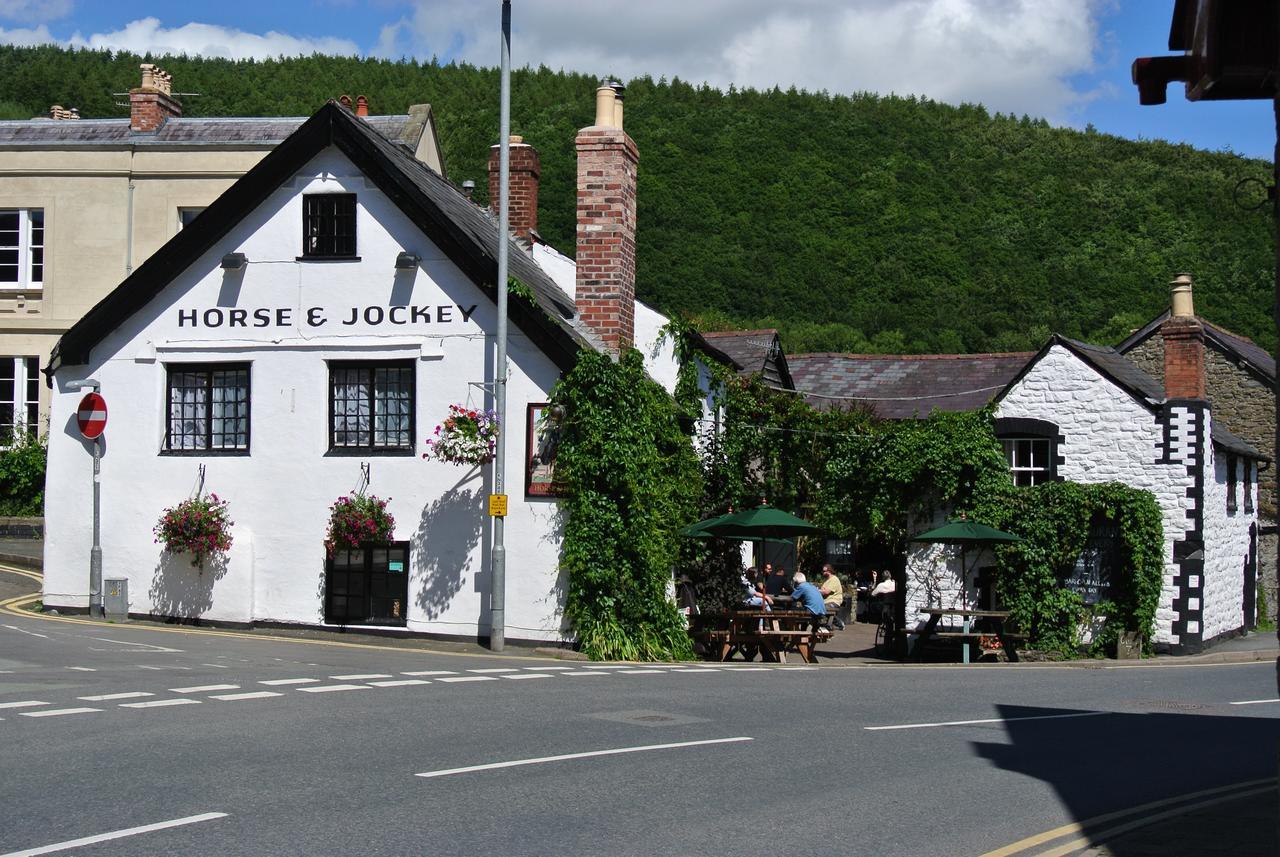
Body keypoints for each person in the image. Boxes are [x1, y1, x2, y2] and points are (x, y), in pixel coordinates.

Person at [819, 564, 846, 630]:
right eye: (823, 571)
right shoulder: (826, 580)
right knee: (818, 608)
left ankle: (838, 624)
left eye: (824, 571)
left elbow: (826, 592)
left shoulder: (834, 579)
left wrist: (817, 590)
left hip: (834, 601)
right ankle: (828, 625)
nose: (823, 572)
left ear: (829, 571)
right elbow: (822, 591)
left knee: (825, 609)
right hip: (826, 601)